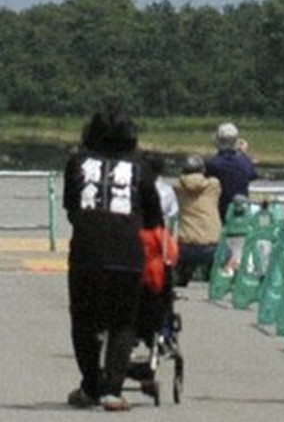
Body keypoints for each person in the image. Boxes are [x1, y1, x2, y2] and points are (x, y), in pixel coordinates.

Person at [63, 100, 164, 412]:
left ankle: (90, 385)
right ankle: (112, 390)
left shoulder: (77, 162)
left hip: (87, 252)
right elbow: (154, 215)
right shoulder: (140, 166)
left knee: (83, 319)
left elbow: (71, 207)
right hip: (126, 252)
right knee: (123, 322)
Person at [173, 153, 222, 286]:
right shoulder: (213, 185)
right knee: (226, 252)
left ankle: (182, 279)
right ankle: (213, 278)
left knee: (183, 262)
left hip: (186, 245)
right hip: (212, 245)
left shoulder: (178, 187)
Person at [204, 121, 259, 220]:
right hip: (242, 211)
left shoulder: (212, 164)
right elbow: (253, 175)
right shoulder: (244, 162)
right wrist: (243, 154)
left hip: (220, 212)